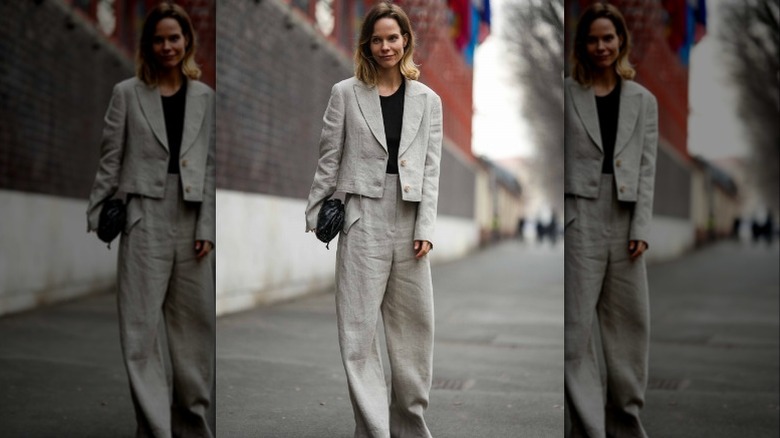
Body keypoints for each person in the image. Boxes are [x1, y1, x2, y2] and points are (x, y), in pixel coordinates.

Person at [305, 2, 442, 436]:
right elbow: (329, 157)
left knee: (413, 335)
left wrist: (425, 228)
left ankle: (410, 427)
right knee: (358, 335)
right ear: (367, 44)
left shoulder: (429, 101)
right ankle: (375, 431)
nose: (386, 46)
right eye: (378, 39)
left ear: (406, 41)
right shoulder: (345, 93)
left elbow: (432, 169)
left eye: (393, 37)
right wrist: (318, 211)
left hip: (408, 221)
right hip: (362, 218)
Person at [86, 3, 215, 436]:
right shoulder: (127, 93)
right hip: (143, 218)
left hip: (192, 218)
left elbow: (211, 167)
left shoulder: (205, 98)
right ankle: (157, 429)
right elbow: (111, 156)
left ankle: (193, 426)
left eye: (174, 38)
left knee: (193, 335)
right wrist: (101, 209)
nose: (167, 46)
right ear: (148, 44)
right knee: (140, 332)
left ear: (186, 42)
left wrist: (207, 228)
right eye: (159, 39)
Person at [564, 3, 658, 437]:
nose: (601, 46)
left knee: (628, 329)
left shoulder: (644, 101)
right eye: (592, 39)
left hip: (624, 220)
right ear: (582, 45)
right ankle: (589, 428)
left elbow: (647, 168)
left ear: (621, 41)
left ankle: (625, 422)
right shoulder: (568, 92)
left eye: (608, 38)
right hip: (578, 217)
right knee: (575, 331)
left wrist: (640, 227)